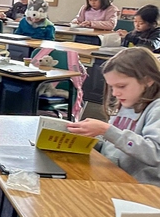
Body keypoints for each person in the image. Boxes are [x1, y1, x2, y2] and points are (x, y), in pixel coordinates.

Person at [67, 48, 160, 187]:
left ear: (148, 80)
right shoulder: (128, 101)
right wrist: (89, 137)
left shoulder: (156, 108)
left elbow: (155, 154)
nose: (115, 93)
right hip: (112, 176)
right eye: (111, 87)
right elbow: (112, 145)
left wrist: (106, 130)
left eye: (121, 86)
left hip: (140, 188)